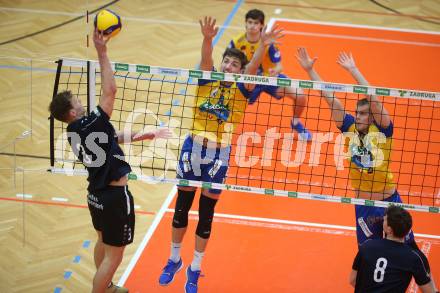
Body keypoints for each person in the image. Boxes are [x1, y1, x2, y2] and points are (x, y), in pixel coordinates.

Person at [158, 16, 282, 293]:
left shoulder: (241, 90)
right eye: (226, 61)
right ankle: (174, 260)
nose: (228, 66)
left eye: (234, 64)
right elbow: (205, 60)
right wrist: (207, 39)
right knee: (181, 209)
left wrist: (262, 45)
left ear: (240, 71)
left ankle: (195, 268)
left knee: (206, 215)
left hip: (218, 156)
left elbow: (252, 67)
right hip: (192, 150)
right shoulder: (206, 79)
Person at [49, 29, 172, 293]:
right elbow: (111, 90)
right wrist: (102, 52)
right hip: (115, 197)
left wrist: (147, 133)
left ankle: (107, 287)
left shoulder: (73, 131)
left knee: (103, 242)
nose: (82, 101)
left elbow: (112, 137)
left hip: (96, 194)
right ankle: (101, 289)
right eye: (77, 101)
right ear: (73, 111)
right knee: (115, 256)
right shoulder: (91, 122)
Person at [296, 47, 416, 246]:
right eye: (357, 113)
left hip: (389, 202)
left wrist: (353, 70)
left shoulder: (383, 130)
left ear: (372, 117)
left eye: (363, 113)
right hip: (363, 206)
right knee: (367, 254)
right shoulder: (349, 127)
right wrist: (310, 70)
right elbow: (329, 98)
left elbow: (375, 102)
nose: (358, 116)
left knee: (409, 251)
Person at [229, 9, 311, 140]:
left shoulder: (268, 43)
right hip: (248, 82)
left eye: (255, 23)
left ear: (261, 25)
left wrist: (275, 71)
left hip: (269, 80)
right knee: (230, 102)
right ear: (245, 23)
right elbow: (229, 66)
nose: (252, 26)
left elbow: (280, 65)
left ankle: (295, 123)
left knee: (300, 95)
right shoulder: (236, 42)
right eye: (249, 22)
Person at [350, 206, 437, 293]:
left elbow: (353, 280)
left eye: (385, 220)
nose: (382, 219)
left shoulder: (367, 246)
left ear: (389, 230)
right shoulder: (414, 258)